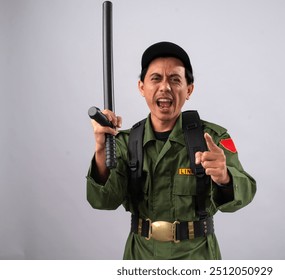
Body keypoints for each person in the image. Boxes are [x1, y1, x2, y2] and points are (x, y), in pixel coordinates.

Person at [86, 41, 256, 260]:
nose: (165, 87)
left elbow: (246, 193)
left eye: (175, 80)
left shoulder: (211, 139)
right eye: (155, 78)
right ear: (141, 87)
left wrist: (224, 177)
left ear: (189, 90)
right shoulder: (125, 142)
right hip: (140, 257)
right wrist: (101, 148)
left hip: (197, 256)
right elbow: (103, 202)